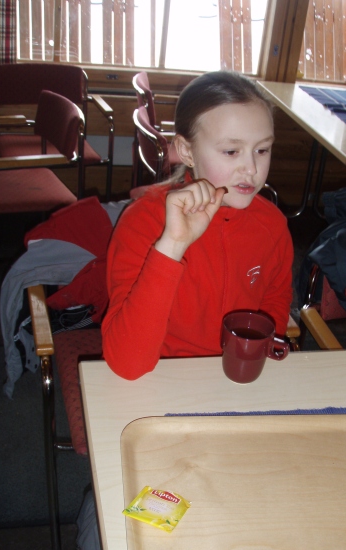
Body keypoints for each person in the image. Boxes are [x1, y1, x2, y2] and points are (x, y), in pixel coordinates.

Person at [102, 70, 294, 380]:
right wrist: (172, 246)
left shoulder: (271, 225)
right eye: (231, 151)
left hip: (236, 378)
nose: (251, 168)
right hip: (161, 378)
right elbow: (127, 364)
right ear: (187, 151)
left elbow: (275, 301)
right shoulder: (143, 223)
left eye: (262, 149)